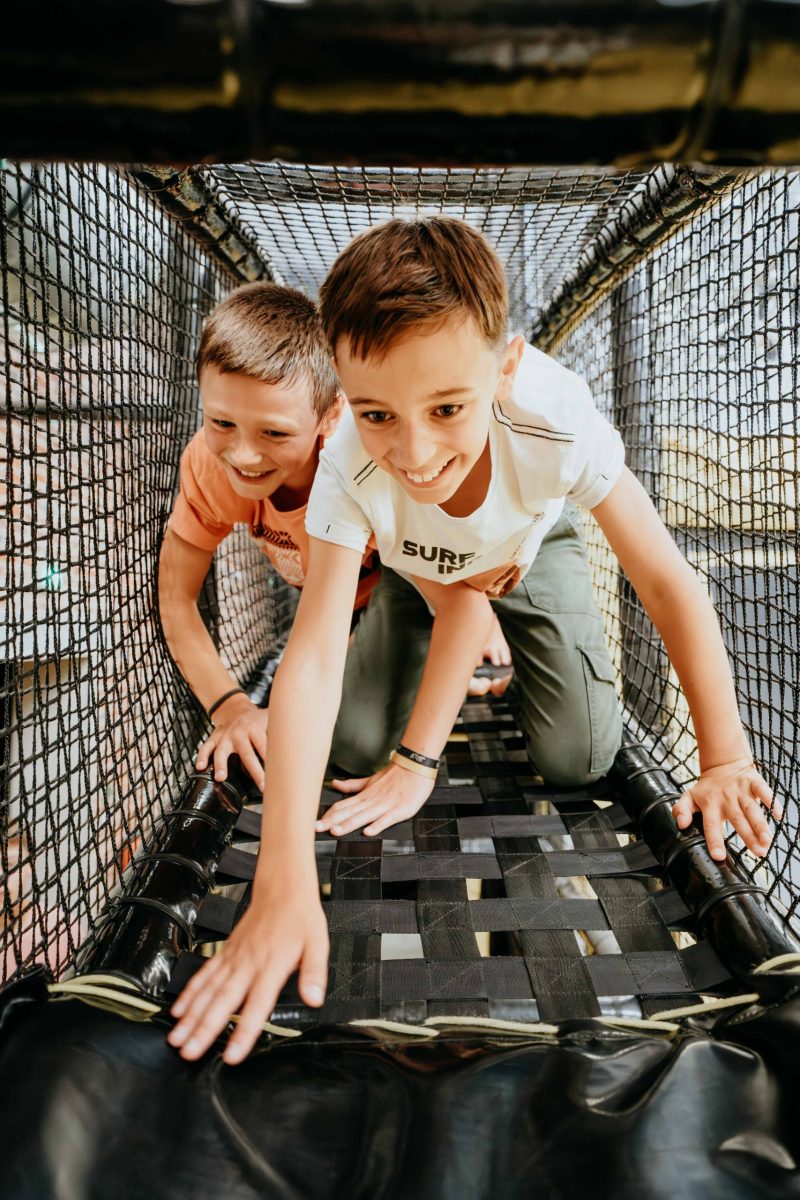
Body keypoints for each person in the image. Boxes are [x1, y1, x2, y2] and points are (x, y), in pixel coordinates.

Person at [168, 217, 776, 1065]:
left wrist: (724, 757)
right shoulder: (349, 462)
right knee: (350, 742)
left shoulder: (554, 421)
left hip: (529, 549)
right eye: (378, 413)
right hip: (419, 576)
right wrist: (283, 872)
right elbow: (311, 655)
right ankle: (444, 642)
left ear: (506, 368)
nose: (414, 450)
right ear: (344, 399)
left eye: (448, 407)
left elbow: (668, 580)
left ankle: (520, 650)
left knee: (579, 756)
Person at [159, 280, 509, 789]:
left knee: (353, 740)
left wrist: (475, 617)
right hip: (338, 607)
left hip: (410, 579)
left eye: (274, 432)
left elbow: (455, 586)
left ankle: (456, 654)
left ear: (329, 414)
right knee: (345, 741)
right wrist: (230, 706)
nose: (244, 454)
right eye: (221, 422)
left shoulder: (366, 461)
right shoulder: (210, 468)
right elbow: (176, 599)